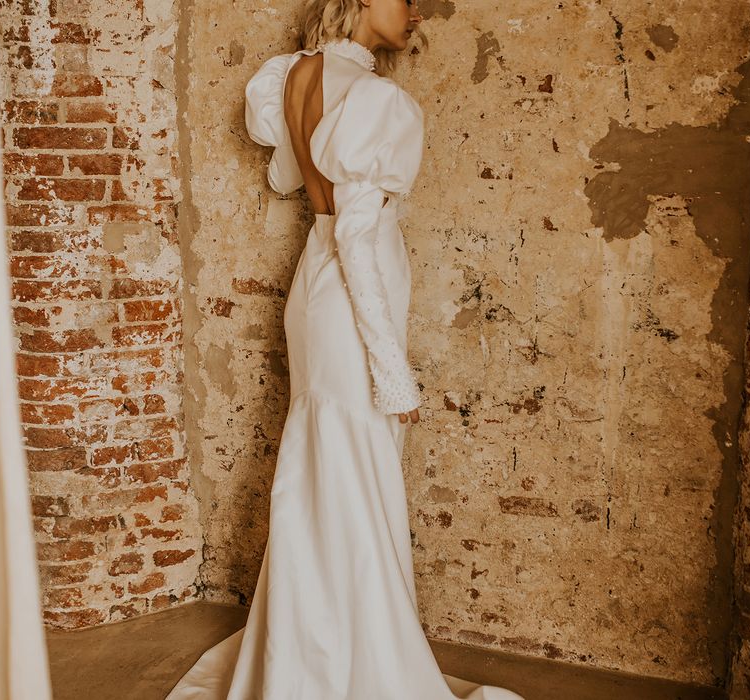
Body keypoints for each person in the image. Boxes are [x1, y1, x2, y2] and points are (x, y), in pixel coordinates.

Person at [166, 1, 525, 698]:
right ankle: (356, 665)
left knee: (323, 471)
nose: (416, 11)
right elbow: (359, 237)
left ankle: (306, 655)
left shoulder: (295, 76)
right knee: (356, 473)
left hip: (314, 282)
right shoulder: (377, 99)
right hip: (351, 290)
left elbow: (287, 180)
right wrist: (396, 376)